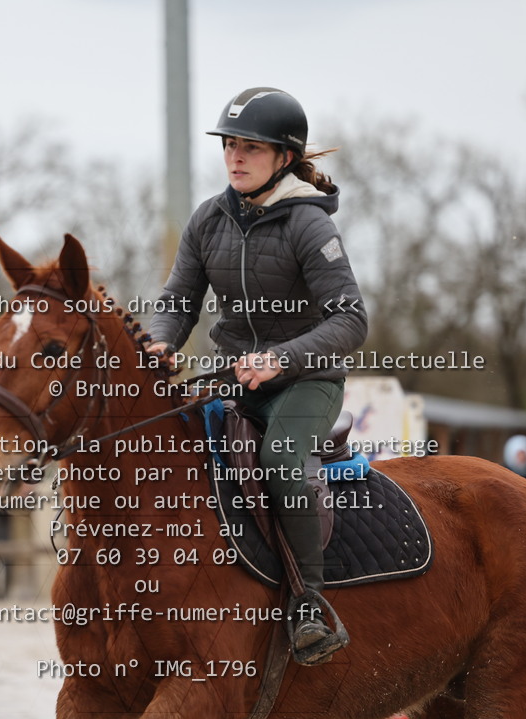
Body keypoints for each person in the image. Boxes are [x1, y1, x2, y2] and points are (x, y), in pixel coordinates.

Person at [147, 87, 367, 666]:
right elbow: (178, 300)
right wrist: (161, 343)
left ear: (285, 157)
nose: (235, 157)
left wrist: (281, 359)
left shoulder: (309, 225)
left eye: (251, 147)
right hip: (231, 378)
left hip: (306, 382)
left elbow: (351, 320)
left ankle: (310, 605)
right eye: (229, 145)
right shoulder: (208, 219)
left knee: (280, 459)